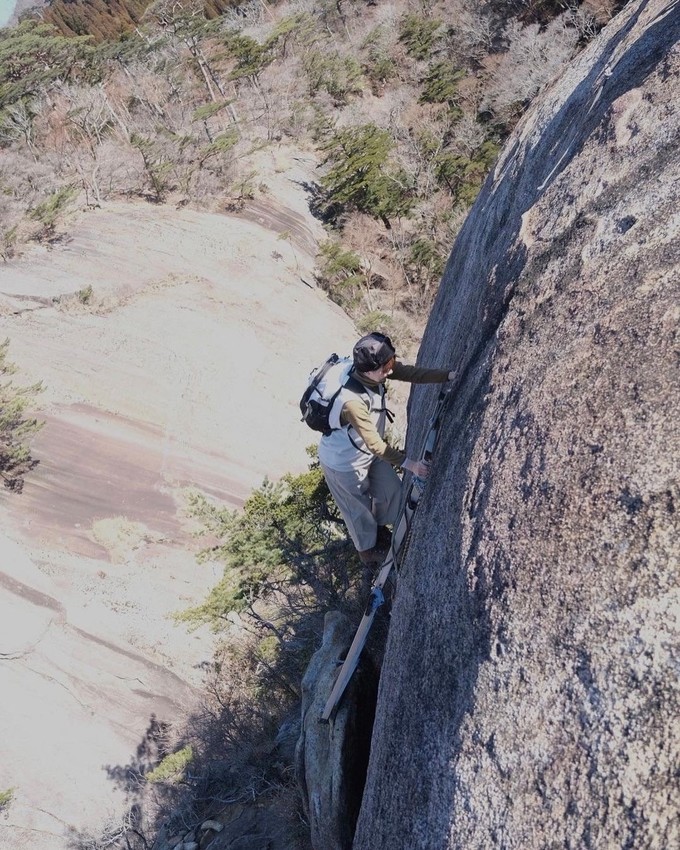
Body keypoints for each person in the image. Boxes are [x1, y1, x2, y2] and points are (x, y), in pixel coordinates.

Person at [318, 331, 455, 566]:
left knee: (393, 492)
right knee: (357, 510)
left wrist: (448, 375)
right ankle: (369, 552)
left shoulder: (377, 369)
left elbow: (411, 373)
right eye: (386, 367)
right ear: (369, 370)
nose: (390, 370)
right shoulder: (351, 402)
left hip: (368, 453)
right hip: (343, 463)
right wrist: (412, 465)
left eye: (391, 362)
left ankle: (379, 530)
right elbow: (376, 444)